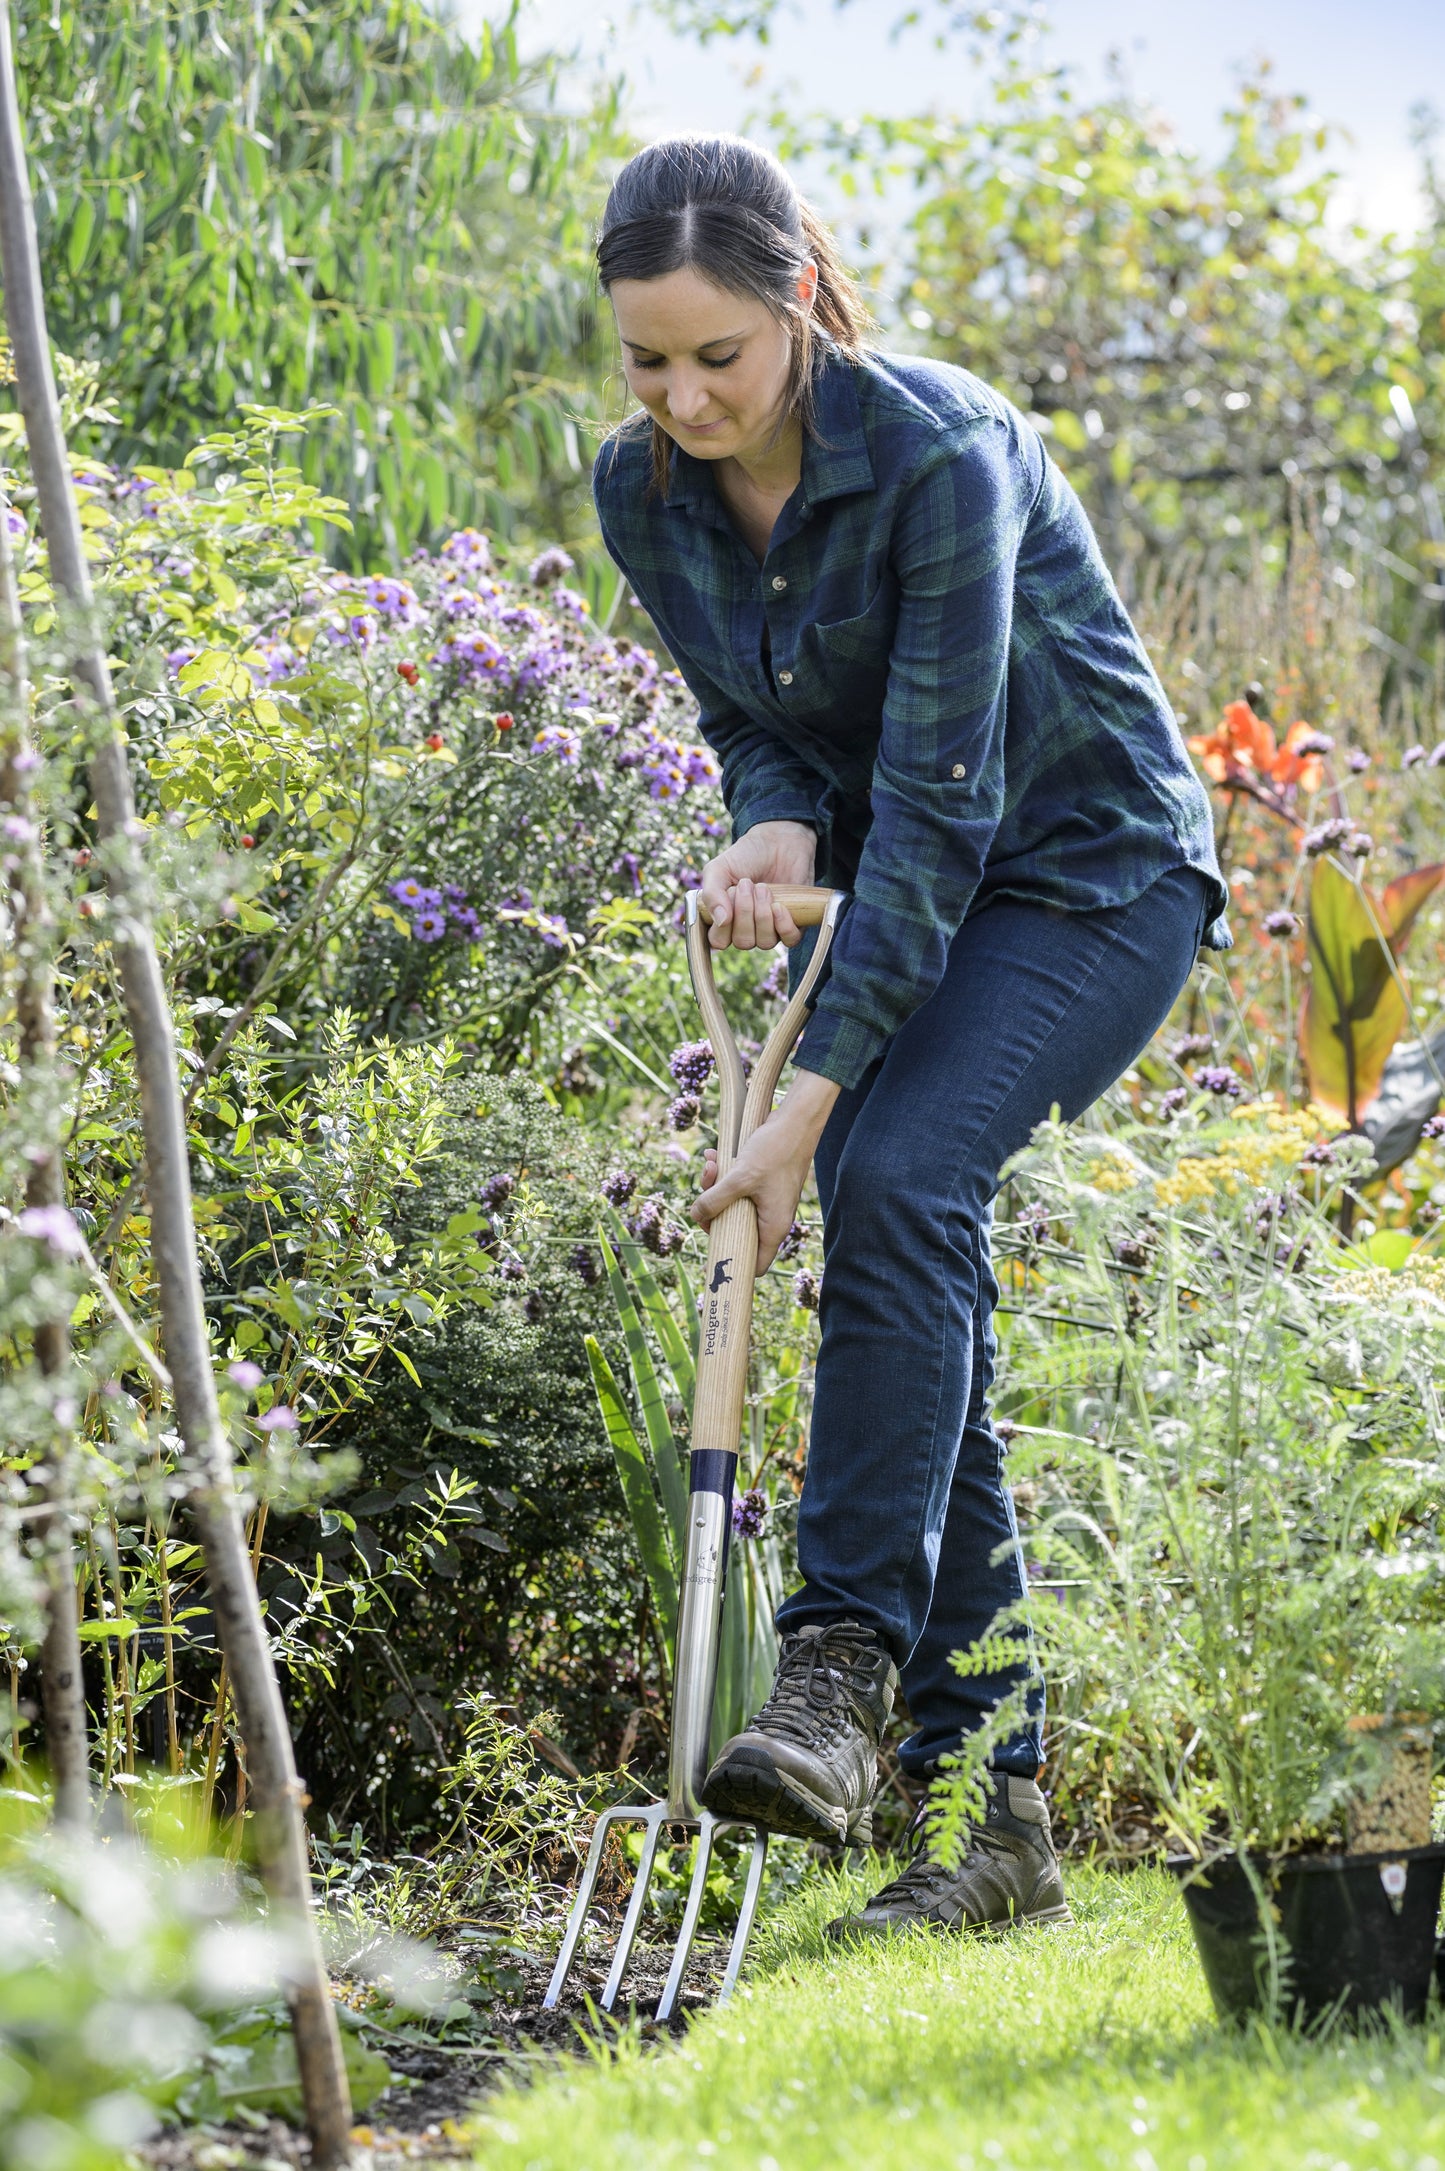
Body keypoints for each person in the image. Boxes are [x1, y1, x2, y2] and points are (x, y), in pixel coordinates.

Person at [591, 134, 1228, 1939]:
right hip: (902, 900)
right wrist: (775, 813)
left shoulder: (942, 451)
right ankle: (993, 1807)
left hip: (1088, 877)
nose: (683, 396)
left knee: (902, 1173)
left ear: (797, 302)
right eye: (646, 358)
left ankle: (840, 1672)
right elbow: (756, 715)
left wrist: (793, 1115)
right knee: (903, 1233)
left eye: (716, 353)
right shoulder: (639, 493)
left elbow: (947, 816)